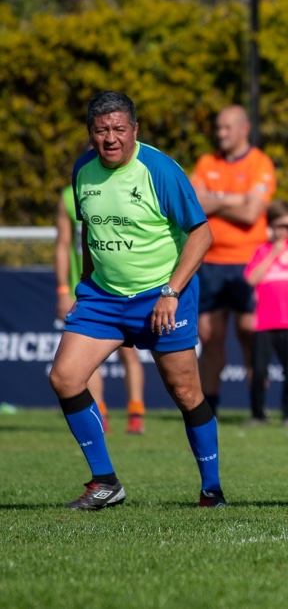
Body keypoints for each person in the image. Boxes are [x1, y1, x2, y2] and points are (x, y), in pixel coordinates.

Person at [50, 91, 223, 509]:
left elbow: (202, 235)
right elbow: (87, 232)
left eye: (119, 129)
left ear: (134, 130)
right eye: (101, 130)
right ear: (90, 133)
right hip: (103, 297)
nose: (111, 139)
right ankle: (105, 483)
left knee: (185, 392)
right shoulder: (82, 171)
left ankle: (211, 489)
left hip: (163, 293)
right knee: (64, 377)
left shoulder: (159, 170)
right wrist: (85, 286)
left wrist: (170, 292)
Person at [190, 105, 276, 415]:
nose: (221, 133)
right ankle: (208, 408)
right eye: (218, 127)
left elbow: (251, 213)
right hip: (209, 262)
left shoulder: (259, 163)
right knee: (210, 337)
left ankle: (257, 409)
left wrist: (215, 200)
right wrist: (235, 198)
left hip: (248, 263)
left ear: (244, 129)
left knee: (250, 335)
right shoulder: (205, 162)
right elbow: (193, 203)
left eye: (227, 127)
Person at [56, 183, 147, 434]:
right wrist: (63, 289)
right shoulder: (69, 195)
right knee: (87, 359)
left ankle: (136, 413)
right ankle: (101, 414)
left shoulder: (129, 185)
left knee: (129, 353)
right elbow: (63, 244)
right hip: (90, 291)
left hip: (124, 288)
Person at [244, 200, 288, 427]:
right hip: (264, 323)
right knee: (259, 371)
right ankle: (257, 414)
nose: (282, 231)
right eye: (277, 226)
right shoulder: (262, 250)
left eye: (286, 226)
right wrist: (273, 253)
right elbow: (251, 279)